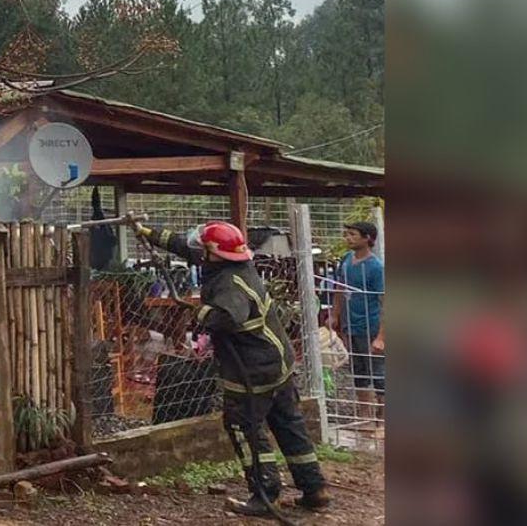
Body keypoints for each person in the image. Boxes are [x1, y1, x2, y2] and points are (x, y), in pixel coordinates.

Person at [128, 214, 330, 516]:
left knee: (243, 426)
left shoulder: (230, 283)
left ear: (214, 253)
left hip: (254, 368)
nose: (198, 250)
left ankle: (265, 494)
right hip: (276, 362)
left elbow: (227, 317)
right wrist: (147, 232)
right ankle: (314, 489)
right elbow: (186, 246)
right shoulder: (229, 263)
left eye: (204, 247)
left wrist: (200, 313)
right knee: (288, 423)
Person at [329, 219, 385, 421]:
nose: (348, 238)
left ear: (367, 238)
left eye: (353, 235)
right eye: (347, 234)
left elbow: (385, 302)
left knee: (379, 372)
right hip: (350, 325)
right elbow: (340, 287)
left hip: (370, 326)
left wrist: (381, 337)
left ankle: (383, 418)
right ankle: (364, 416)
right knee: (359, 372)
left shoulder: (376, 267)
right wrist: (335, 314)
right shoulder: (346, 260)